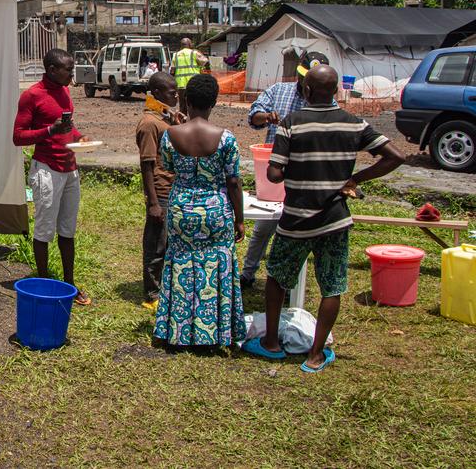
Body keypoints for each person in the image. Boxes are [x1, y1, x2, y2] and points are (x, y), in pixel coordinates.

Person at [243, 64, 404, 372]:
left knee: (277, 278)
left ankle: (271, 343)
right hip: (334, 220)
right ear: (337, 92)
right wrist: (355, 179)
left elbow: (274, 174)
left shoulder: (293, 123)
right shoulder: (354, 123)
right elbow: (396, 156)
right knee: (331, 285)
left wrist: (300, 170)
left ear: (306, 90)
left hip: (296, 220)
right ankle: (316, 355)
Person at [153, 74, 246, 347]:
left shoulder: (170, 136)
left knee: (181, 264)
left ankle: (178, 331)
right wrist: (239, 219)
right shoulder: (226, 139)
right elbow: (233, 181)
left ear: (186, 100)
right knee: (216, 267)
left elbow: (168, 167)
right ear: (214, 102)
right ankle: (215, 332)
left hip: (181, 208)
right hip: (216, 210)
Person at [240, 50, 330, 290]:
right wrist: (265, 117)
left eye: (309, 79)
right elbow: (254, 115)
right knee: (264, 228)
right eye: (301, 77)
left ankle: (289, 283)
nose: (304, 83)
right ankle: (248, 273)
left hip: (307, 178)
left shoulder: (326, 102)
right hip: (274, 174)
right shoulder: (279, 91)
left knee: (297, 234)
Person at [12, 48, 92, 305]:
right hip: (46, 170)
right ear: (51, 70)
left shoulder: (65, 90)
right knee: (45, 230)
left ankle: (69, 283)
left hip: (70, 169)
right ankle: (43, 284)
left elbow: (67, 126)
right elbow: (18, 136)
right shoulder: (32, 96)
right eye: (68, 69)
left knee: (68, 229)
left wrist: (79, 137)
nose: (72, 73)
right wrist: (49, 130)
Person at [135, 72, 180, 309]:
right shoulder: (149, 123)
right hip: (160, 191)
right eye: (172, 93)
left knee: (168, 242)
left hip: (172, 189)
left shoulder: (164, 117)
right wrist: (153, 202)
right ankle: (152, 293)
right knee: (156, 244)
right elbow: (147, 164)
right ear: (157, 94)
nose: (176, 96)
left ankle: (164, 287)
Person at [169, 38, 207, 114]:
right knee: (194, 105)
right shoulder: (194, 53)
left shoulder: (175, 55)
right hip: (194, 84)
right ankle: (194, 122)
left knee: (182, 106)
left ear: (181, 45)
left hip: (181, 85)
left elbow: (172, 71)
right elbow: (205, 61)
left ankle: (183, 123)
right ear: (189, 44)